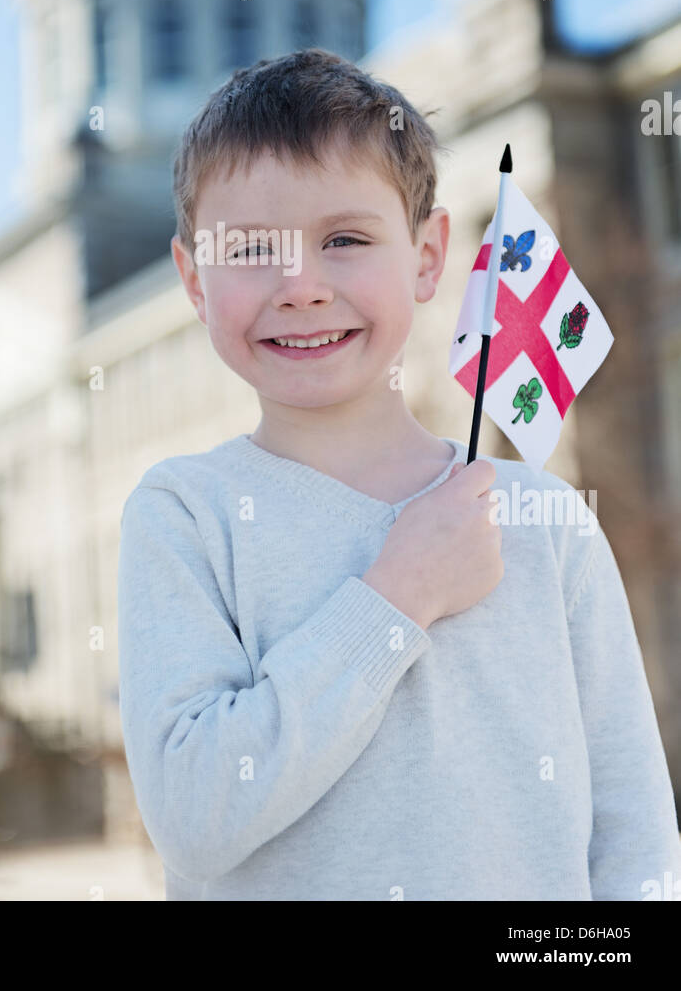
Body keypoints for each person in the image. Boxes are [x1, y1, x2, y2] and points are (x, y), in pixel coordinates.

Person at [117, 47, 681, 901]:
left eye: (344, 239)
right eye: (251, 248)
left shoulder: (548, 521)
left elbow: (633, 832)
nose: (299, 284)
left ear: (426, 257)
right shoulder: (185, 516)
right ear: (194, 280)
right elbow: (196, 820)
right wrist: (397, 596)